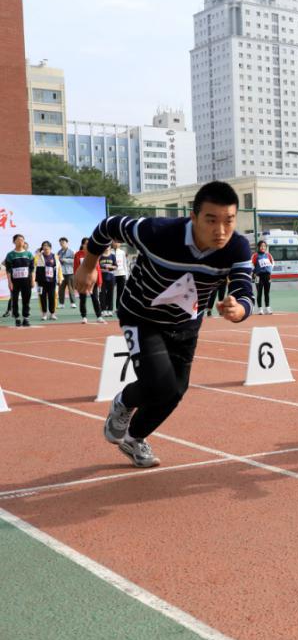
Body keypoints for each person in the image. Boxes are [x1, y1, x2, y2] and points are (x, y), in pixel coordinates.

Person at [74, 181, 255, 468]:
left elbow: (245, 286)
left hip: (186, 324)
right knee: (158, 383)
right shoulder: (157, 232)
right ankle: (123, 401)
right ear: (193, 217)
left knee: (174, 392)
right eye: (211, 220)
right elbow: (108, 225)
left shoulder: (237, 247)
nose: (220, 230)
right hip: (141, 316)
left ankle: (134, 439)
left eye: (229, 221)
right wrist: (87, 266)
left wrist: (240, 308)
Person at [4, 234, 34, 327]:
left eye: (22, 239)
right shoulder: (10, 255)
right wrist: (10, 282)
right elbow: (8, 270)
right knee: (15, 300)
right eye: (18, 240)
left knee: (26, 300)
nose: (21, 241)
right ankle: (17, 318)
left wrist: (32, 280)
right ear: (14, 242)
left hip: (26, 281)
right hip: (15, 282)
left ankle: (26, 318)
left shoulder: (29, 254)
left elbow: (32, 269)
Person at [74, 237, 105, 324]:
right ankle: (84, 317)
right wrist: (77, 281)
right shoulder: (78, 255)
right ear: (82, 245)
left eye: (89, 243)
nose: (88, 245)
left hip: (93, 281)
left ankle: (99, 316)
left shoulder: (94, 255)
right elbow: (76, 268)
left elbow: (98, 268)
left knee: (95, 298)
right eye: (86, 243)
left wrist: (99, 281)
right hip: (82, 281)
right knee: (82, 299)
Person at [34, 240, 60, 321]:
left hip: (52, 281)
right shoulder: (38, 256)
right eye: (44, 246)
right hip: (41, 281)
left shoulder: (55, 256)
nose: (45, 247)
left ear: (50, 248)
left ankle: (52, 314)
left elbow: (59, 268)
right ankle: (44, 314)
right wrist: (37, 254)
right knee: (42, 297)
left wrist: (60, 278)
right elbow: (34, 263)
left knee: (52, 297)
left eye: (47, 246)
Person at [252, 240, 274, 314]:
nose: (263, 247)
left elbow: (272, 263)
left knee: (267, 293)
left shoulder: (268, 255)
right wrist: (254, 273)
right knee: (259, 292)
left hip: (267, 276)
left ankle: (267, 308)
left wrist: (270, 270)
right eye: (261, 246)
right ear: (258, 247)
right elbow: (251, 265)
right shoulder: (255, 255)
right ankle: (260, 309)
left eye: (264, 246)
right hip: (258, 276)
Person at [57, 237, 76, 308]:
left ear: (67, 243)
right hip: (61, 273)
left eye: (63, 243)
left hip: (70, 272)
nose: (62, 244)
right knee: (61, 289)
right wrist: (58, 260)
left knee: (71, 288)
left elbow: (74, 261)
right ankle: (61, 303)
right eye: (60, 243)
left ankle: (73, 303)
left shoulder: (72, 251)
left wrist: (65, 260)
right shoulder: (59, 252)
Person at [98, 246, 117, 317]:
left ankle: (110, 310)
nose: (106, 247)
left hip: (111, 277)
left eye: (108, 246)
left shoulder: (112, 256)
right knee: (102, 294)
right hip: (102, 277)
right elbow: (97, 266)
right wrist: (104, 267)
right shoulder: (100, 256)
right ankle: (103, 310)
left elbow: (115, 266)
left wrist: (110, 267)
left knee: (110, 294)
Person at [112, 240, 128, 311]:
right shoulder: (110, 252)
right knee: (110, 291)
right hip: (112, 274)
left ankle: (118, 307)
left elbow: (125, 264)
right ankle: (108, 308)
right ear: (112, 243)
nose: (116, 243)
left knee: (120, 292)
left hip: (121, 274)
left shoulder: (122, 252)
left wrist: (126, 275)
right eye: (114, 242)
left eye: (118, 242)